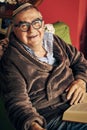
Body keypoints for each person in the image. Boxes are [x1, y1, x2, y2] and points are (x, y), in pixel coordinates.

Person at [0, 2, 87, 130]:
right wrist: (33, 126)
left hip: (79, 103)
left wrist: (81, 81)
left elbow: (80, 61)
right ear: (14, 28)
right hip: (53, 115)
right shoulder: (12, 61)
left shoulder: (54, 40)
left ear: (42, 23)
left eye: (36, 22)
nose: (32, 30)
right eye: (24, 25)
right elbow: (17, 103)